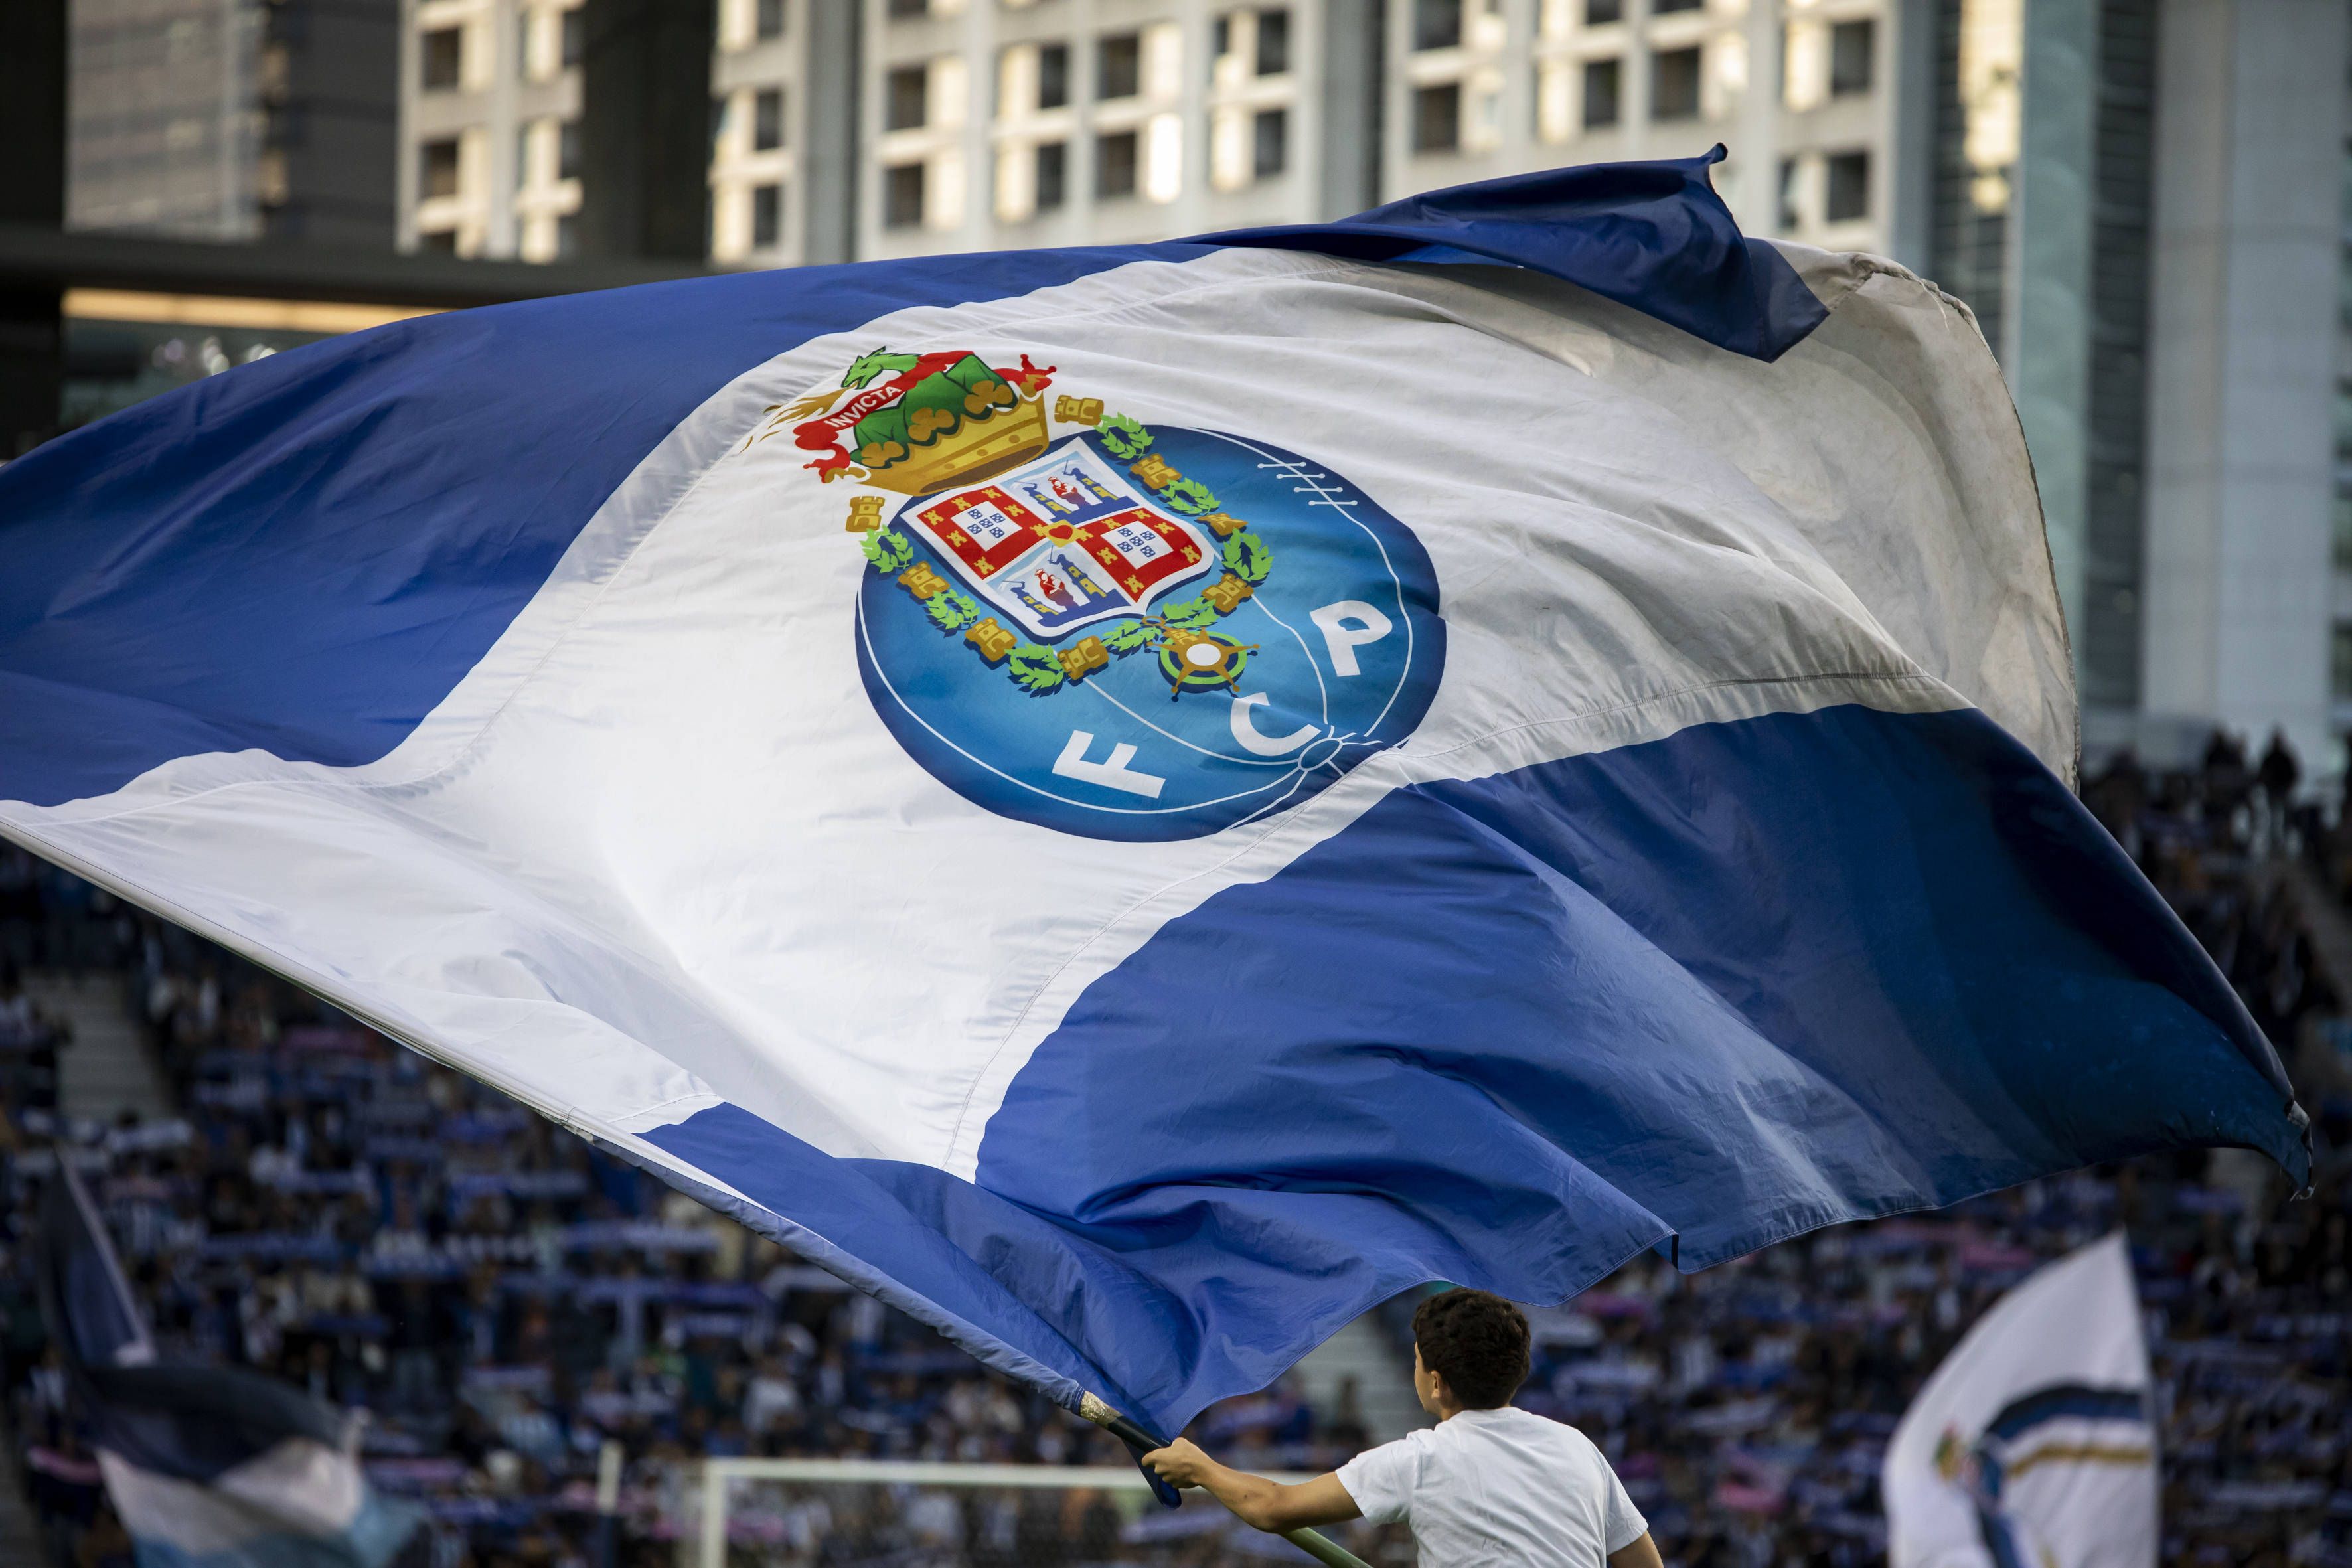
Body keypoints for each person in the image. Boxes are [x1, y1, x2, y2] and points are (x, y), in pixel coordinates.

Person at [1145, 1287, 1663, 1567]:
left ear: (1435, 1383)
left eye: (1416, 1361)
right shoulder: (1575, 1448)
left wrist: (1202, 1468)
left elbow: (1272, 1508)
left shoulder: (1419, 1459)